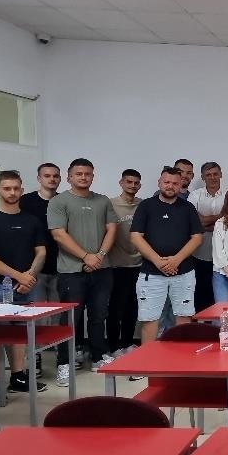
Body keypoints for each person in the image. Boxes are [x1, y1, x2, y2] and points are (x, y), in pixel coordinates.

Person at [48, 158, 118, 386]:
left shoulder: (102, 201)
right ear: (69, 177)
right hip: (71, 271)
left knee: (99, 316)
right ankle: (64, 363)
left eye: (87, 174)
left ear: (93, 176)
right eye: (78, 174)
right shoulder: (59, 201)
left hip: (101, 269)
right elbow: (59, 234)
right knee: (70, 319)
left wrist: (98, 256)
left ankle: (98, 356)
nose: (83, 177)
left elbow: (112, 230)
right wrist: (86, 256)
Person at [0, 170, 47, 394]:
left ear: (22, 190)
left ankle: (18, 376)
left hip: (27, 286)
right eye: (7, 188)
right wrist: (18, 275)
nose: (12, 192)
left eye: (16, 188)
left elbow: (41, 252)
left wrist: (29, 276)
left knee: (20, 333)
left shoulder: (32, 221)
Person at [130, 167, 202, 344]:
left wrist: (176, 259)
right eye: (167, 182)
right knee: (150, 318)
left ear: (180, 185)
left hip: (183, 272)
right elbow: (135, 236)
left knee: (184, 317)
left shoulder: (188, 208)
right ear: (159, 183)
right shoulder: (146, 206)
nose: (170, 186)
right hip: (151, 273)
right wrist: (158, 261)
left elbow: (197, 237)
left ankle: (181, 359)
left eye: (175, 183)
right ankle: (148, 360)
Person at [19, 161, 61, 377]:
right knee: (35, 316)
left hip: (61, 267)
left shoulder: (64, 201)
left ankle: (61, 360)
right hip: (35, 269)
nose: (52, 179)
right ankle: (33, 360)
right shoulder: (26, 202)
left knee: (59, 317)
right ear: (39, 179)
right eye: (47, 176)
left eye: (55, 176)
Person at [107, 169, 142, 356]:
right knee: (115, 308)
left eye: (136, 183)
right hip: (116, 265)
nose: (132, 185)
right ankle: (113, 346)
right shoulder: (110, 204)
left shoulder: (143, 205)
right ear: (121, 183)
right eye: (129, 182)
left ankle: (128, 343)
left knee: (133, 307)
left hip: (138, 264)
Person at [188, 161, 224, 312]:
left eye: (215, 174)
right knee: (200, 291)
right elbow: (195, 223)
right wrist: (220, 217)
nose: (212, 177)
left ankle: (218, 323)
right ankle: (201, 323)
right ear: (203, 177)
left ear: (221, 174)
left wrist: (204, 224)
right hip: (199, 253)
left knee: (220, 294)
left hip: (224, 255)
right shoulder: (195, 196)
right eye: (208, 175)